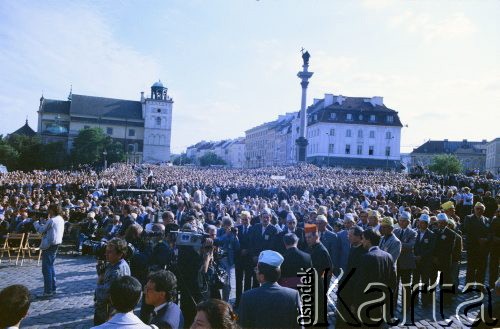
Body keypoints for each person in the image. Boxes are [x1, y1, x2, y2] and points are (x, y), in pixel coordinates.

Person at [238, 250, 302, 329]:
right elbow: (299, 326)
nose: (256, 272)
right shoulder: (293, 295)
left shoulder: (247, 296)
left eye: (257, 270)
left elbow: (242, 325)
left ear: (262, 276)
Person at [354, 229, 397, 326]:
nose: (361, 241)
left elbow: (361, 283)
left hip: (368, 303)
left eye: (363, 239)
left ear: (368, 240)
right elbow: (393, 281)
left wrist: (356, 303)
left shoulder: (366, 257)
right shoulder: (388, 256)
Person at [94, 238, 132, 325]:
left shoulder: (117, 270)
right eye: (106, 251)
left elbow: (103, 294)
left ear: (120, 254)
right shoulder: (114, 263)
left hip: (108, 312)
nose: (106, 254)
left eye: (110, 252)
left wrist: (99, 282)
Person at [34, 203, 65, 299]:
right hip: (56, 244)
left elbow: (40, 230)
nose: (47, 211)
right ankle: (53, 288)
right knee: (50, 267)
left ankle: (48, 291)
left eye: (49, 210)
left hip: (49, 245)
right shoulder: (60, 219)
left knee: (46, 269)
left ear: (52, 210)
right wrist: (44, 222)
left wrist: (35, 222)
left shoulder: (52, 220)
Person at [393, 211, 417, 312]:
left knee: (406, 285)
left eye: (404, 221)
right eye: (400, 221)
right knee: (394, 285)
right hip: (396, 262)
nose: (401, 223)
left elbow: (410, 246)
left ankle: (406, 306)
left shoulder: (413, 232)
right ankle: (393, 305)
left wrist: (398, 245)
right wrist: (402, 245)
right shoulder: (395, 231)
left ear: (408, 222)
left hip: (407, 263)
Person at [463, 202, 491, 286]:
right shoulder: (468, 218)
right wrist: (478, 239)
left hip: (483, 248)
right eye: (477, 208)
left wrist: (486, 239)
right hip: (472, 247)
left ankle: (480, 286)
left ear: (484, 210)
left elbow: (490, 232)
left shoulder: (487, 220)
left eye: (481, 209)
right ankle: (469, 286)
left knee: (482, 269)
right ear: (474, 209)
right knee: (471, 268)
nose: (479, 210)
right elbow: (468, 230)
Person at [234, 211, 254, 308]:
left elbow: (255, 243)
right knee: (238, 281)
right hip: (239, 259)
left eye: (246, 219)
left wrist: (248, 251)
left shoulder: (254, 229)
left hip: (249, 259)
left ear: (250, 219)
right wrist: (240, 251)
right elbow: (234, 244)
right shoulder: (237, 229)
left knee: (247, 281)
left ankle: (246, 302)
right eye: (243, 220)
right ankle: (238, 301)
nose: (245, 221)